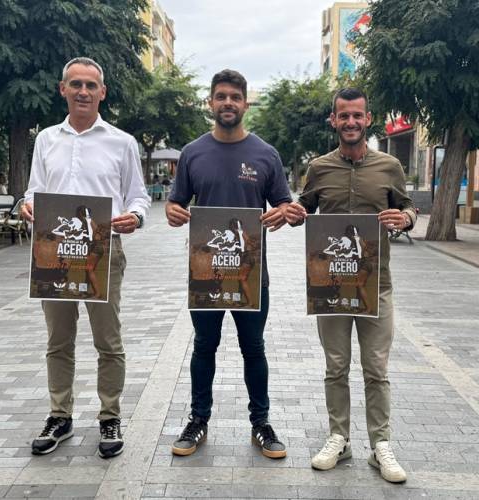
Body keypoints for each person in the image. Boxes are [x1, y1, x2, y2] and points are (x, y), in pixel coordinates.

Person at [284, 87, 417, 483]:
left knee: (376, 367)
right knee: (336, 366)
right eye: (344, 116)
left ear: (368, 119)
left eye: (357, 115)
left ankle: (381, 445)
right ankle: (339, 438)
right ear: (334, 120)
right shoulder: (319, 167)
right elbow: (305, 206)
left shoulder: (390, 166)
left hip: (376, 285)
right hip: (331, 285)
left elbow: (407, 206)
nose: (351, 122)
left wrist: (406, 219)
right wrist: (295, 212)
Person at [21, 56, 150, 459]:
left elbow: (138, 196)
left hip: (103, 251)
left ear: (102, 92)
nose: (83, 91)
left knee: (108, 341)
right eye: (75, 84)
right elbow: (34, 189)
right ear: (62, 89)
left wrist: (136, 217)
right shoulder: (46, 139)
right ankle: (60, 415)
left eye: (90, 85)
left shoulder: (121, 142)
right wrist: (28, 205)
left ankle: (110, 415)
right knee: (58, 341)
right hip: (54, 251)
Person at [166, 69, 292, 459]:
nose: (228, 103)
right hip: (206, 273)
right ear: (210, 102)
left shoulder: (266, 154)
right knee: (204, 346)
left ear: (245, 103)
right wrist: (172, 211)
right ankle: (198, 420)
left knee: (253, 348)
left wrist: (283, 212)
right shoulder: (192, 153)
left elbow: (285, 204)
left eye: (235, 97)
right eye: (221, 96)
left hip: (251, 275)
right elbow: (175, 202)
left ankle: (261, 423)